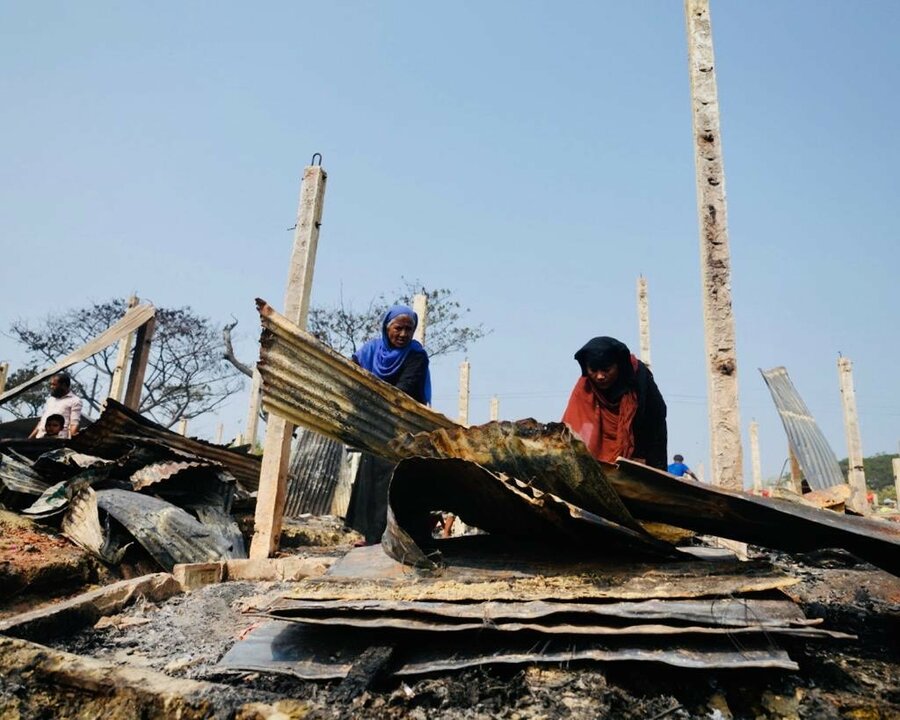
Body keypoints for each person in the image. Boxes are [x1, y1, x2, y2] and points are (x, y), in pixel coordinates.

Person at [346, 305, 431, 544]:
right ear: (387, 328)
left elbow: (403, 390)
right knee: (371, 483)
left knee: (399, 484)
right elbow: (350, 372)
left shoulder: (416, 356)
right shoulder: (370, 351)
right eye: (398, 328)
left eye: (409, 329)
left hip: (404, 430)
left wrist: (374, 400)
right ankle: (372, 537)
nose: (404, 334)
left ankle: (406, 539)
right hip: (376, 430)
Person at [562, 336, 667, 470]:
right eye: (593, 371)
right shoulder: (585, 387)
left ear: (619, 365)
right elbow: (579, 427)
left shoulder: (637, 378)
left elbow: (653, 418)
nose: (600, 376)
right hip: (601, 450)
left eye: (606, 370)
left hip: (644, 444)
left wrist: (641, 454)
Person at [29, 372, 83, 439]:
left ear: (63, 385)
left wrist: (72, 441)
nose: (51, 387)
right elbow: (41, 422)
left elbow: (74, 423)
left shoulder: (75, 400)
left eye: (54, 385)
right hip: (41, 439)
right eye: (51, 384)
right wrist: (30, 438)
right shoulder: (50, 400)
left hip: (58, 440)